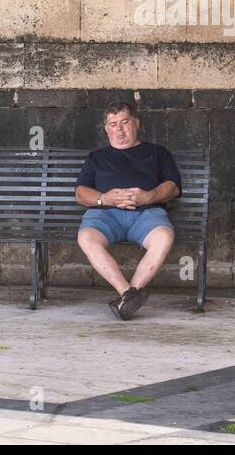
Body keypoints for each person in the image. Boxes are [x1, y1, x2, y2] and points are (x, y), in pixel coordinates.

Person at [74, 101, 180, 320]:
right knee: (86, 237)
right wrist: (104, 199)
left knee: (164, 237)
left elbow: (173, 187)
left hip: (146, 214)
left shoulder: (157, 153)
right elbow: (81, 193)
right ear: (106, 129)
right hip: (105, 214)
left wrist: (147, 196)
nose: (119, 129)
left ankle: (128, 296)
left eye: (124, 122)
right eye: (113, 124)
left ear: (136, 123)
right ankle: (127, 293)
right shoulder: (96, 157)